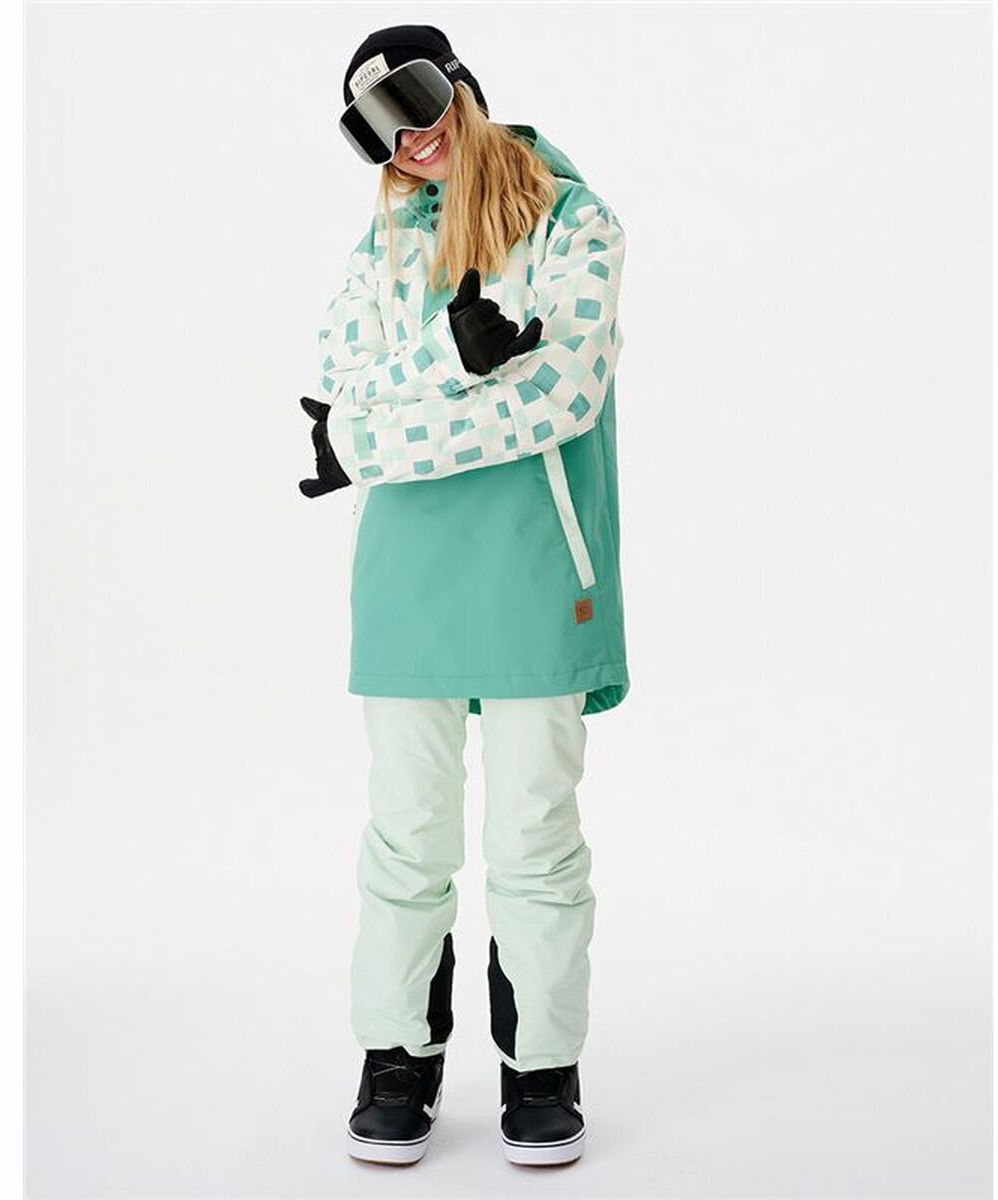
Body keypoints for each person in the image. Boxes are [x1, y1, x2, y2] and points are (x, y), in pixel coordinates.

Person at [298, 24, 629, 1167]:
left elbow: (561, 400)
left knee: (535, 835)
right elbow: (334, 400)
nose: (409, 137)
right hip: (407, 581)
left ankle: (542, 1065)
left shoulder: (576, 224)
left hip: (533, 567)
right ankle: (397, 1057)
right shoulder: (384, 244)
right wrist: (446, 357)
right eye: (375, 129)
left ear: (465, 88)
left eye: (416, 98)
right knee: (406, 835)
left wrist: (371, 439)